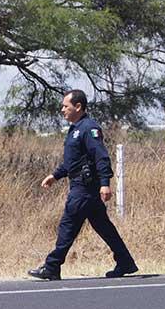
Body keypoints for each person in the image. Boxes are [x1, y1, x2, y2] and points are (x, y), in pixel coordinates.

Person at [28, 89, 138, 281]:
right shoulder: (75, 129)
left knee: (67, 225)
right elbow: (73, 162)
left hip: (84, 188)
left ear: (78, 106)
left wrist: (105, 183)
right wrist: (55, 175)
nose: (62, 110)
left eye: (66, 106)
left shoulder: (89, 128)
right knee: (104, 227)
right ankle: (125, 261)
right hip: (81, 186)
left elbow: (101, 157)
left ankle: (52, 266)